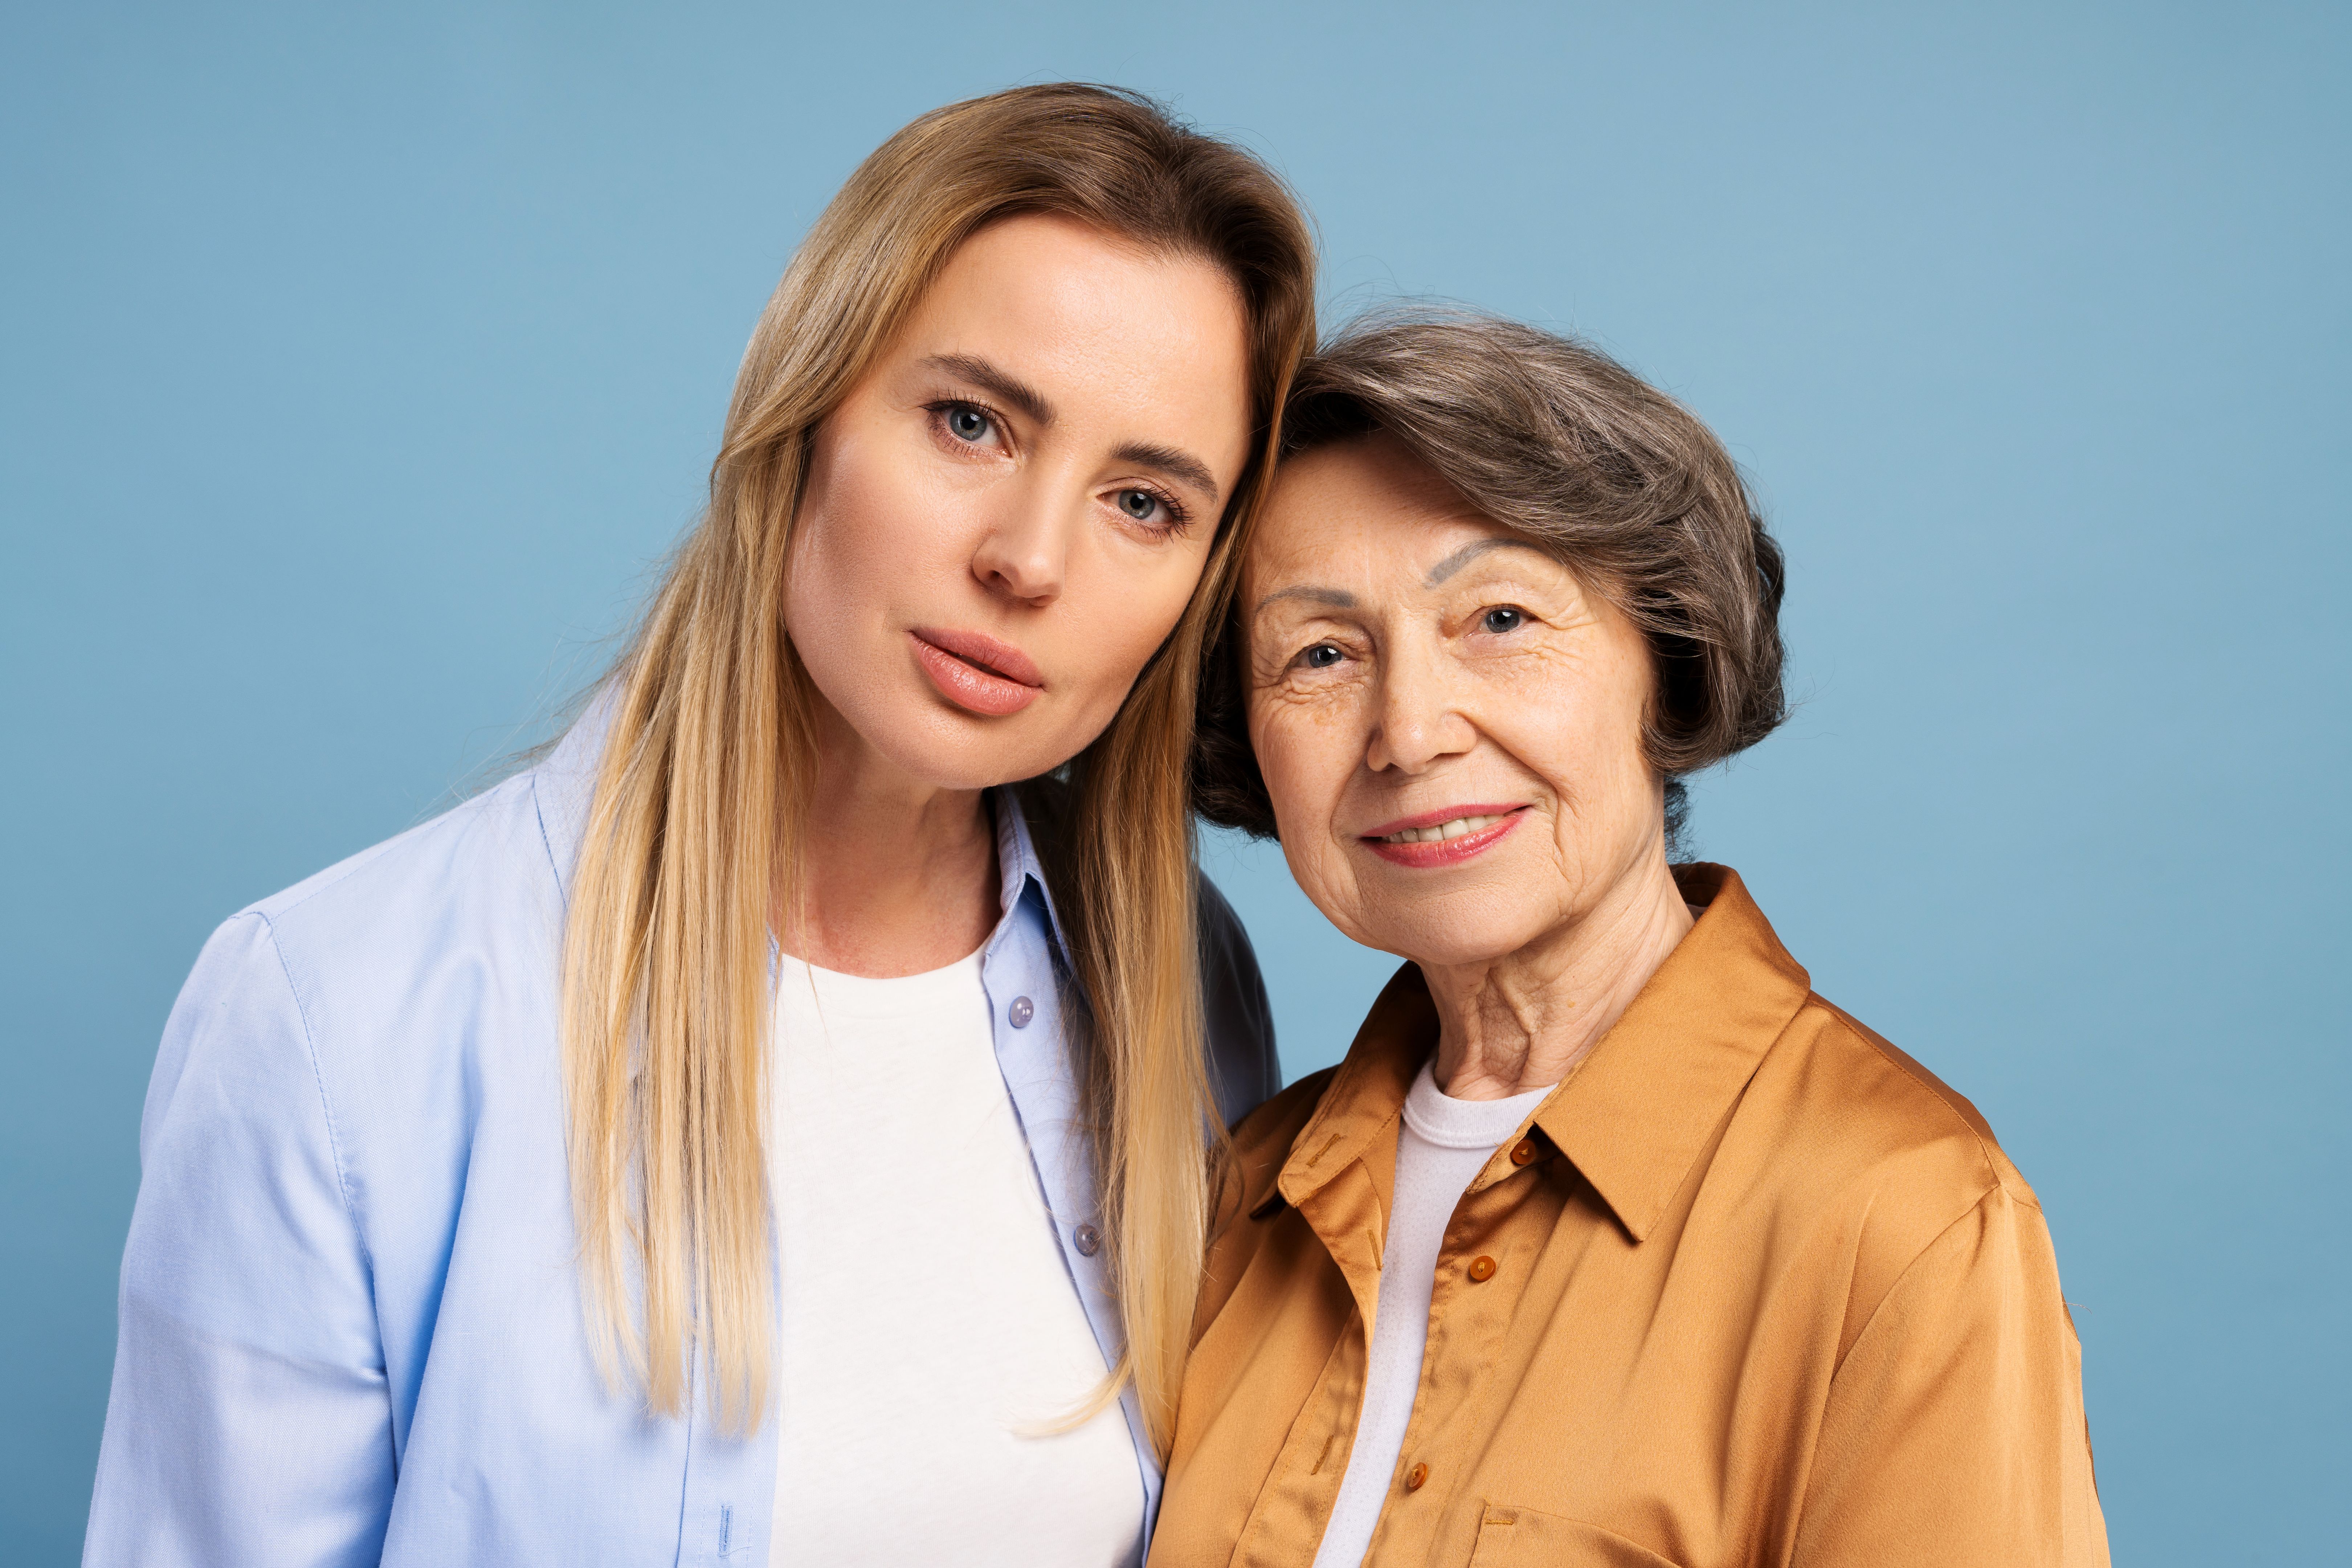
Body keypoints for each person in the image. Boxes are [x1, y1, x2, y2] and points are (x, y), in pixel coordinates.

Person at [85, 84, 1316, 1567]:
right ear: (804, 411)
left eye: (1144, 502)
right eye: (973, 422)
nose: (1030, 559)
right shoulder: (336, 1021)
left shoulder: (1185, 982)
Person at [1162, 313, 2110, 1566]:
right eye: (1322, 654)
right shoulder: (1241, 1192)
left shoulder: (1898, 1212)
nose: (1409, 732)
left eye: (1498, 619)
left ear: (1660, 656)